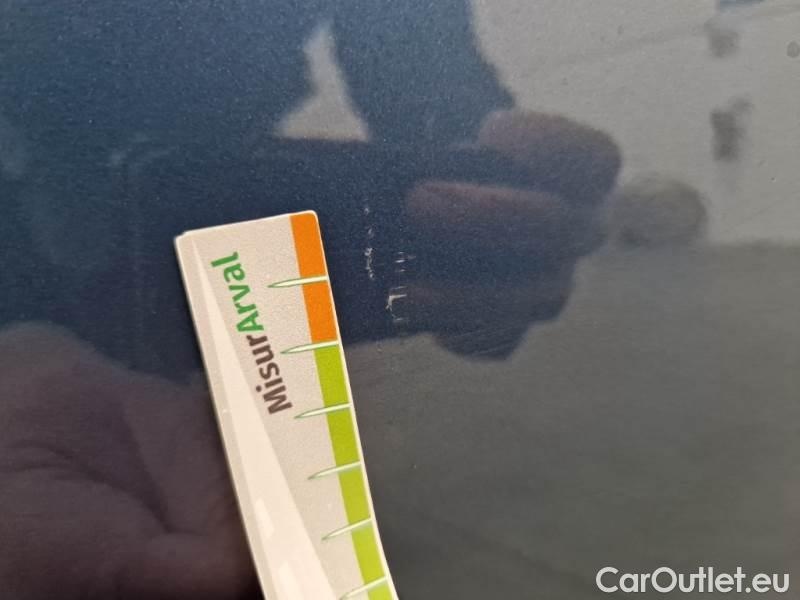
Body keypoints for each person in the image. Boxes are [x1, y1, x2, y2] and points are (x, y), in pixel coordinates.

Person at [0, 1, 620, 597]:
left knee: (212, 475)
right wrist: (16, 323)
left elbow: (417, 64)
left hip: (209, 161)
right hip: (49, 151)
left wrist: (488, 177)